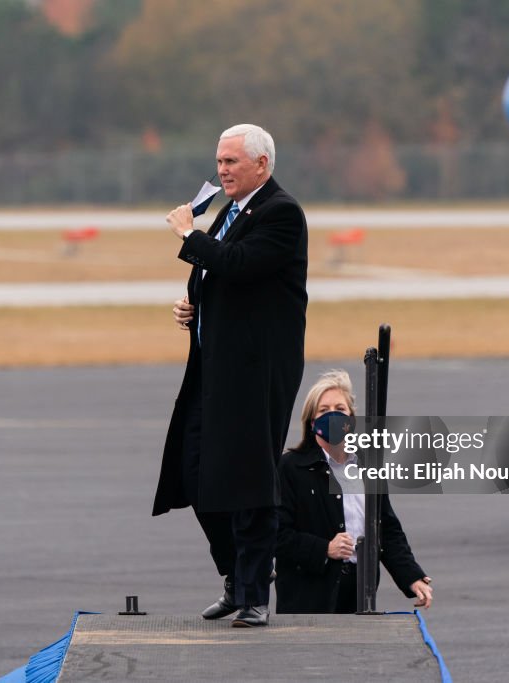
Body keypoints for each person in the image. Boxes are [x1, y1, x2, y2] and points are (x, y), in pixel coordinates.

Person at [153, 124, 308, 627]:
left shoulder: (281, 213)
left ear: (262, 164)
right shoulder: (230, 212)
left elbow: (240, 264)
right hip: (213, 369)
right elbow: (217, 275)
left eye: (231, 162)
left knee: (249, 480)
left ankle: (255, 595)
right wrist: (194, 305)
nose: (221, 171)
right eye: (219, 162)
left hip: (255, 374)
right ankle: (234, 578)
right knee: (196, 473)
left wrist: (187, 234)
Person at [275, 369, 433, 613]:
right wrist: (324, 549)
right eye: (324, 410)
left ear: (351, 418)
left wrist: (411, 576)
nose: (333, 416)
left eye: (340, 409)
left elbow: (386, 529)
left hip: (360, 594)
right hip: (308, 597)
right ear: (312, 420)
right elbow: (275, 533)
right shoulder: (291, 467)